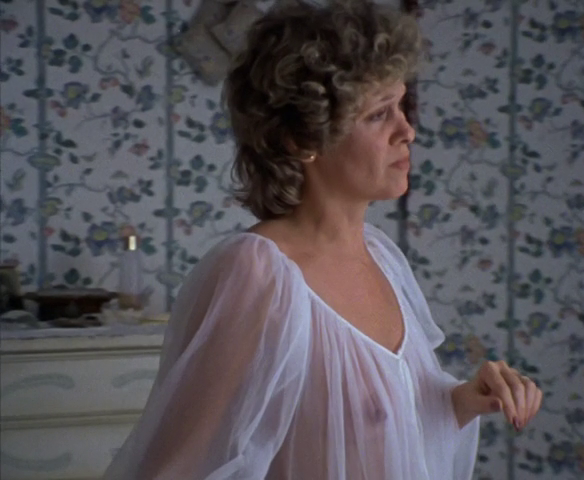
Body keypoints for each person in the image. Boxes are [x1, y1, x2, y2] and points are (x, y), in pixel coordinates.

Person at [103, 1, 543, 479]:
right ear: (302, 139)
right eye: (379, 114)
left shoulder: (383, 258)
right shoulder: (259, 273)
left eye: (401, 106)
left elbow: (380, 435)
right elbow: (176, 468)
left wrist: (464, 400)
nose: (407, 131)